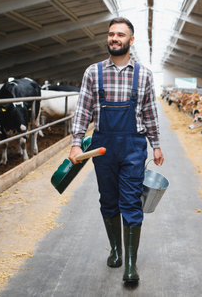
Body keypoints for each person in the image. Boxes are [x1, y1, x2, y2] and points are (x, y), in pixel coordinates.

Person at [69, 17, 164, 284]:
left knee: (131, 202)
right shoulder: (93, 72)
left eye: (121, 35)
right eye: (111, 34)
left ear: (131, 40)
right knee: (108, 200)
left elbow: (149, 112)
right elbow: (83, 110)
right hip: (102, 148)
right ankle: (115, 249)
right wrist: (77, 142)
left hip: (133, 146)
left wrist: (156, 146)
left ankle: (131, 265)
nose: (115, 38)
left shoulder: (143, 74)